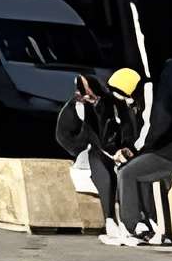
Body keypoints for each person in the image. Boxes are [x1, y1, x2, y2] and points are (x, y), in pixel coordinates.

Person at [113, 57, 172, 245]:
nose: (126, 102)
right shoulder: (148, 95)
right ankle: (148, 220)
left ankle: (134, 225)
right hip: (171, 150)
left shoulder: (152, 93)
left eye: (124, 96)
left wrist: (134, 150)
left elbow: (155, 127)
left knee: (127, 172)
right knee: (137, 169)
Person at [54, 71, 134, 243]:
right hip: (92, 150)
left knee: (116, 167)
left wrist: (124, 148)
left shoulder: (112, 103)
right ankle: (110, 218)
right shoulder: (76, 108)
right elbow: (65, 136)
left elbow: (125, 129)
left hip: (113, 149)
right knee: (98, 162)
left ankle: (131, 221)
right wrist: (82, 144)